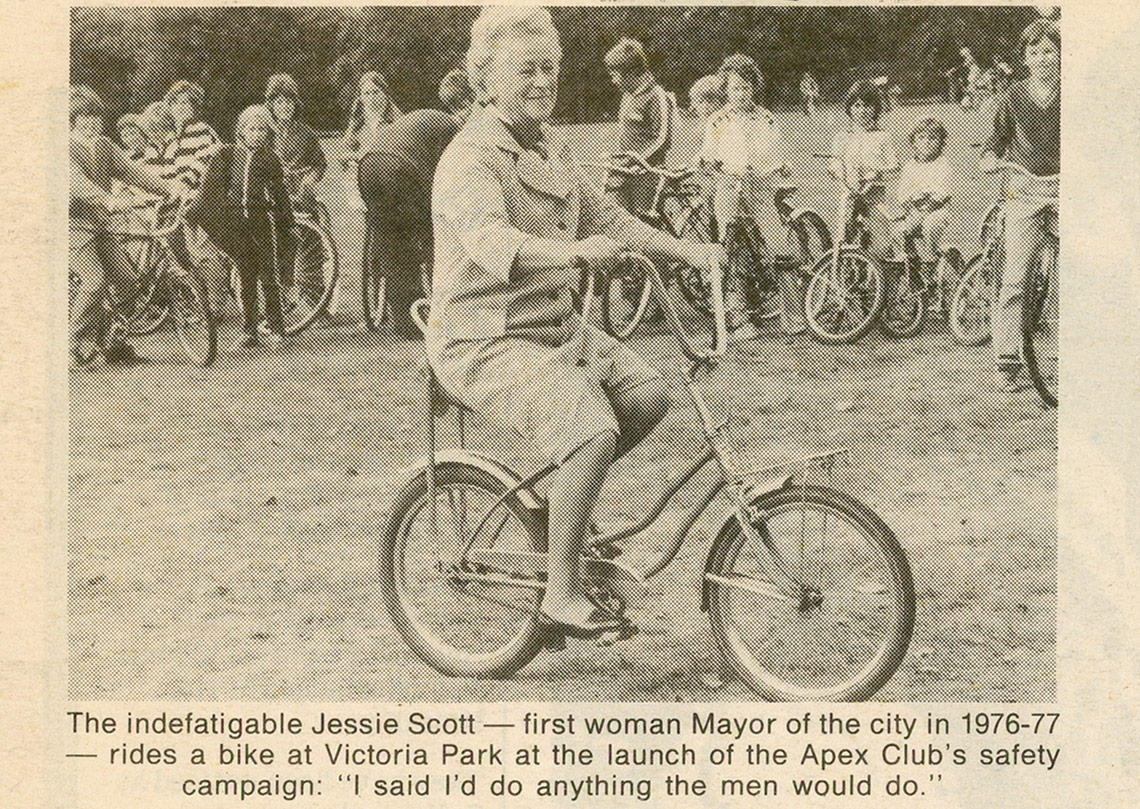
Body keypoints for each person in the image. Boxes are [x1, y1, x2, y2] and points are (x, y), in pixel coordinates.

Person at [427, 7, 722, 636]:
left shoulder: (552, 147)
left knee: (647, 398)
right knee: (590, 431)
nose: (543, 82)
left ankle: (571, 516)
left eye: (550, 68)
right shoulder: (470, 157)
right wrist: (573, 252)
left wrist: (688, 250)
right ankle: (560, 592)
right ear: (484, 81)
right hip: (485, 336)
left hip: (556, 328)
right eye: (526, 70)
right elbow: (489, 240)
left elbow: (608, 217)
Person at [696, 53, 805, 337]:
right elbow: (708, 155)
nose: (740, 94)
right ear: (725, 90)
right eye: (734, 88)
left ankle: (793, 315)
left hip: (760, 191)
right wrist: (715, 167)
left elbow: (777, 155)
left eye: (745, 87)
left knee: (780, 249)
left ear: (754, 87)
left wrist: (775, 171)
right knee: (732, 251)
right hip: (729, 190)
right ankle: (737, 317)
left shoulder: (767, 119)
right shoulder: (717, 121)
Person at [979, 19, 1060, 393]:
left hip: (1064, 190)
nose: (1043, 58)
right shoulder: (1012, 96)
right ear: (1025, 58)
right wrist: (991, 158)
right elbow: (996, 141)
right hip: (1023, 191)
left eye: (1049, 51)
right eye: (1035, 52)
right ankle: (1007, 359)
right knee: (1014, 276)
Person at [69, 86, 173, 364]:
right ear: (73, 119)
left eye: (95, 117)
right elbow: (77, 183)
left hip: (103, 226)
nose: (91, 122)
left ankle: (114, 340)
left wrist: (167, 188)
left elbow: (132, 171)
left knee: (128, 281)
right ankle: (74, 337)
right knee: (95, 280)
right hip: (73, 228)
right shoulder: (64, 148)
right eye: (84, 117)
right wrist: (108, 199)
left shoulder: (103, 145)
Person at [188, 105, 295, 350]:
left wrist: (288, 223)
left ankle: (278, 329)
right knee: (246, 277)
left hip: (262, 223)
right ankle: (250, 330)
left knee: (269, 277)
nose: (256, 134)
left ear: (269, 133)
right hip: (237, 224)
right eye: (251, 129)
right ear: (241, 131)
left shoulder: (270, 159)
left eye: (261, 130)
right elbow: (211, 189)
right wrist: (197, 210)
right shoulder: (230, 155)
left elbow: (280, 194)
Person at [357, 107, 464, 337]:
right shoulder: (458, 134)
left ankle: (405, 323)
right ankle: (446, 313)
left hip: (368, 166)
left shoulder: (430, 118)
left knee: (392, 246)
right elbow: (447, 180)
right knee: (435, 242)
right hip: (400, 169)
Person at [159, 81, 228, 317]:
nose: (181, 107)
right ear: (169, 106)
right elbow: (166, 172)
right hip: (178, 203)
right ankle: (201, 302)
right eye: (176, 102)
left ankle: (216, 305)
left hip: (204, 200)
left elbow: (206, 161)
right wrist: (162, 191)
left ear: (194, 106)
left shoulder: (202, 130)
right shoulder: (170, 139)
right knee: (178, 251)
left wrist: (186, 182)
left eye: (186, 102)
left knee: (204, 251)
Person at [602, 38, 675, 217]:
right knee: (616, 218)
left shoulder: (657, 95)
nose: (613, 80)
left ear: (632, 72)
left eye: (615, 74)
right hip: (625, 170)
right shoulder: (627, 97)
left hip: (649, 173)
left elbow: (662, 139)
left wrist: (638, 160)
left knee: (644, 225)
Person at [829, 80, 899, 262]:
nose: (862, 111)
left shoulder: (882, 136)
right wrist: (838, 171)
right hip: (850, 193)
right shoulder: (842, 137)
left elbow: (893, 166)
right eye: (857, 106)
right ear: (850, 108)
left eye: (868, 106)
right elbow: (834, 163)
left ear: (876, 108)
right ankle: (847, 273)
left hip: (874, 196)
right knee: (843, 235)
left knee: (882, 243)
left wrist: (877, 173)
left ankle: (881, 277)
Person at [265, 74, 327, 218]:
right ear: (272, 106)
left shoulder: (307, 133)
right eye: (279, 102)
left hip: (302, 192)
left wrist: (309, 180)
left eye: (288, 102)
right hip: (275, 191)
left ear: (295, 104)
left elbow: (320, 164)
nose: (285, 107)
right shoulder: (267, 134)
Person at [894, 118, 951, 264]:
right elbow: (903, 194)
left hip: (937, 211)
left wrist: (928, 202)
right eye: (921, 138)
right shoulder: (910, 166)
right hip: (914, 210)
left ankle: (930, 260)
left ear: (941, 143)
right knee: (898, 231)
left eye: (932, 138)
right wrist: (912, 200)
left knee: (930, 225)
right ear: (913, 142)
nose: (926, 142)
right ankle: (911, 262)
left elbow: (944, 190)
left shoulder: (942, 164)